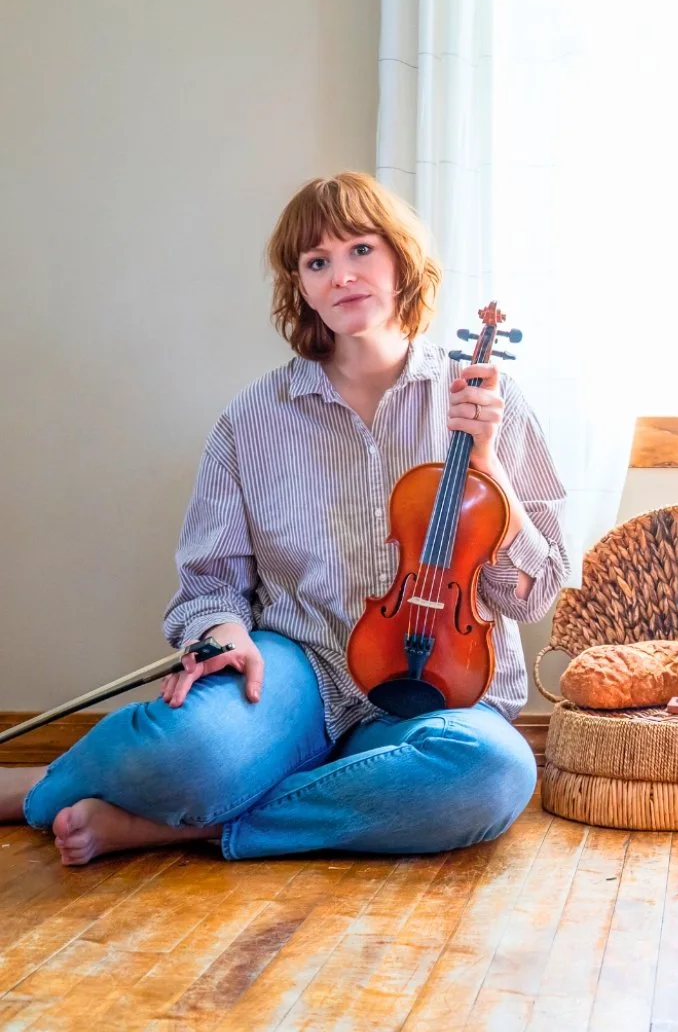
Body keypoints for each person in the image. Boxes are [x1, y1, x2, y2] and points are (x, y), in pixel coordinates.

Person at [0, 172, 567, 865]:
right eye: (316, 262)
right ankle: (45, 785)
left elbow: (534, 594)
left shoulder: (484, 400)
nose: (341, 275)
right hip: (304, 672)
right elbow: (209, 583)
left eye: (360, 249)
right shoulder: (253, 418)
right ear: (298, 285)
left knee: (492, 773)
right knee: (191, 747)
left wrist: (488, 464)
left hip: (443, 689)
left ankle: (190, 827)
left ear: (400, 259)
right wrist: (223, 633)